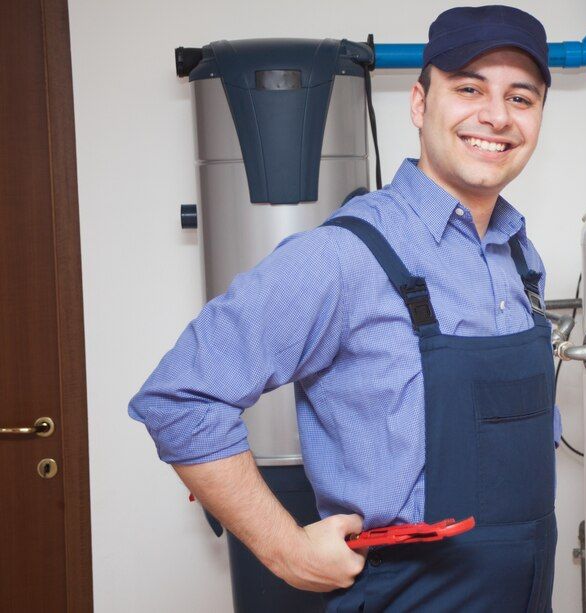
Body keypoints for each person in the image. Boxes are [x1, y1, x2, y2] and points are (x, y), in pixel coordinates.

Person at [130, 5, 559, 611]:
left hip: (525, 588)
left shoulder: (519, 255)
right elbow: (179, 395)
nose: (496, 116)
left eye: (522, 98)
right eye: (469, 88)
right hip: (409, 594)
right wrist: (286, 549)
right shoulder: (343, 256)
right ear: (419, 103)